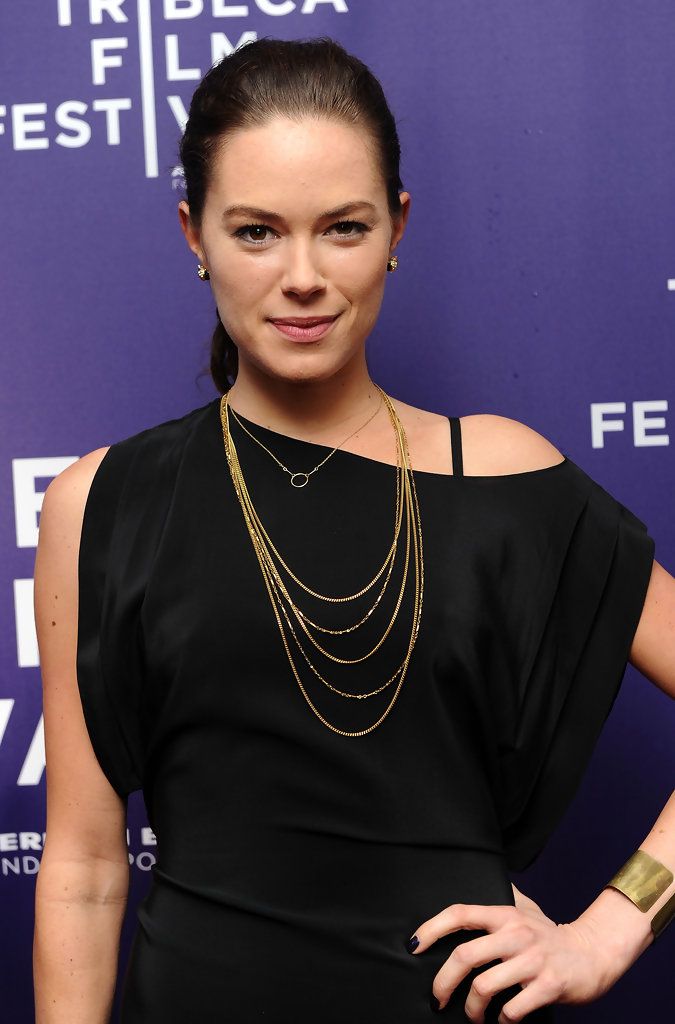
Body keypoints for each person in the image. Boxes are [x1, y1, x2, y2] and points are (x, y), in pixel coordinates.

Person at [33, 35, 674, 1024]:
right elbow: (81, 869)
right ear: (194, 234)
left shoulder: (499, 474)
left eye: (342, 228)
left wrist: (614, 924)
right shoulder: (101, 501)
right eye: (256, 231)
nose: (302, 276)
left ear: (395, 227)